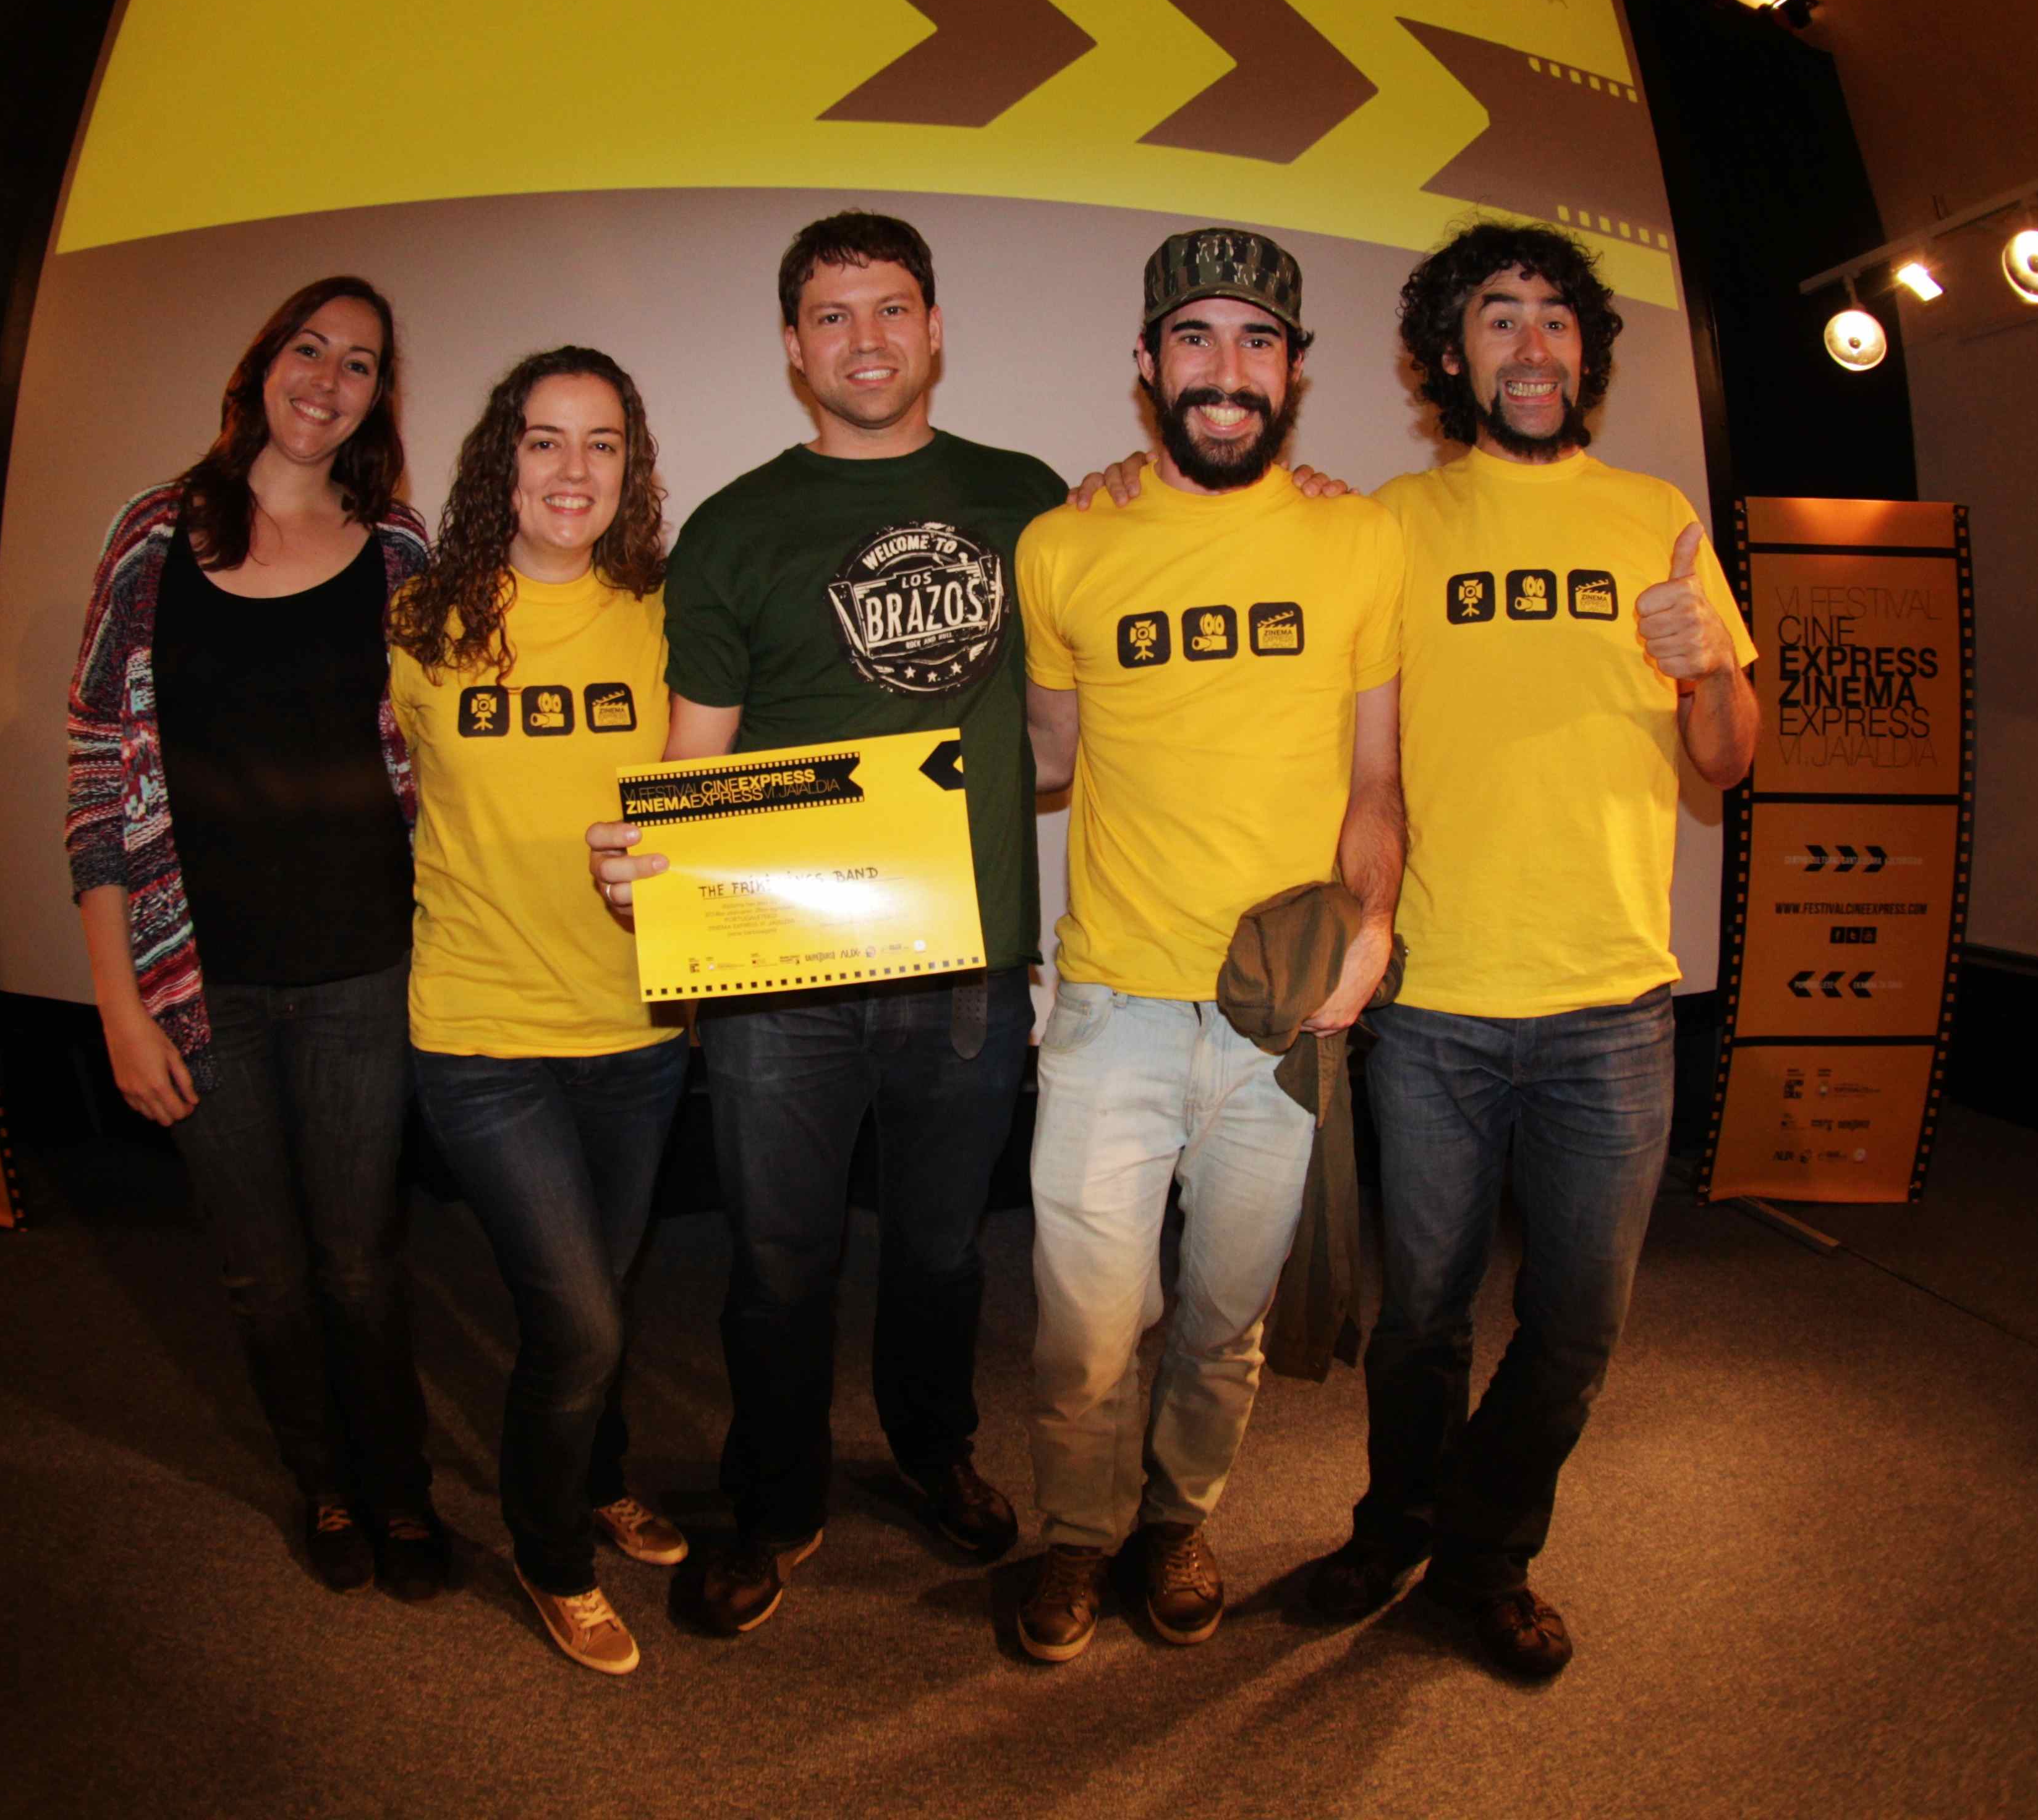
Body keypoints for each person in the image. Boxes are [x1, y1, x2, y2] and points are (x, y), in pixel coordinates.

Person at [587, 212, 1063, 1635]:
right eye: (834, 315)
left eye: (892, 307)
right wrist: (653, 863)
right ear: (795, 349)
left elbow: (1064, 730)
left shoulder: (1031, 501)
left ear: (936, 329)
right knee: (778, 1260)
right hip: (780, 974)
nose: (867, 338)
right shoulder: (735, 529)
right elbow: (695, 754)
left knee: (943, 1251)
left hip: (967, 962)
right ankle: (776, 1499)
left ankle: (933, 1447)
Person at [1309, 220, 1757, 1681]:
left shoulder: (1654, 515)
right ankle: (1396, 1527)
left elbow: (1728, 757)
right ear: (1450, 356)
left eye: (1556, 317)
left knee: (1575, 1327)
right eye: (1498, 317)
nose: (1531, 343)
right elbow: (1355, 741)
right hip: (1436, 1002)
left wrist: (1707, 663)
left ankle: (1482, 1554)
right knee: (1420, 1324)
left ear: (1585, 351)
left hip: (1614, 1007)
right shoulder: (1394, 522)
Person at [1008, 229, 1406, 1662]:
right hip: (1109, 1004)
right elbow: (1048, 759)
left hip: (1276, 1014)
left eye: (1256, 341)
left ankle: (1177, 1520)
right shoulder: (1065, 544)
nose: (1225, 370)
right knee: (1084, 1327)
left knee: (1227, 1315)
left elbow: (1377, 780)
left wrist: (1374, 926)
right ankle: (1076, 1534)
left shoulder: (1360, 538)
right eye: (1194, 338)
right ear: (1146, 363)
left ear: (1294, 369)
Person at [63, 277, 444, 1598]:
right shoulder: (151, 538)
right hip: (195, 979)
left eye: (360, 363)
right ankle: (324, 1484)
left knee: (362, 1265)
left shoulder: (401, 550)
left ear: (377, 398)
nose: (328, 380)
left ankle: (400, 1489)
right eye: (309, 348)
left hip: (363, 970)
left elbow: (457, 748)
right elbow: (97, 774)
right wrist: (120, 1005)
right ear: (262, 364)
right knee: (263, 1278)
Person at [388, 347, 688, 1677]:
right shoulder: (420, 622)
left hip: (636, 1032)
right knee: (579, 1320)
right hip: (481, 1031)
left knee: (601, 1294)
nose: (574, 470)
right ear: (500, 460)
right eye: (546, 440)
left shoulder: (666, 617)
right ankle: (551, 1548)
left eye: (602, 443)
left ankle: (600, 1474)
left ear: (632, 468)